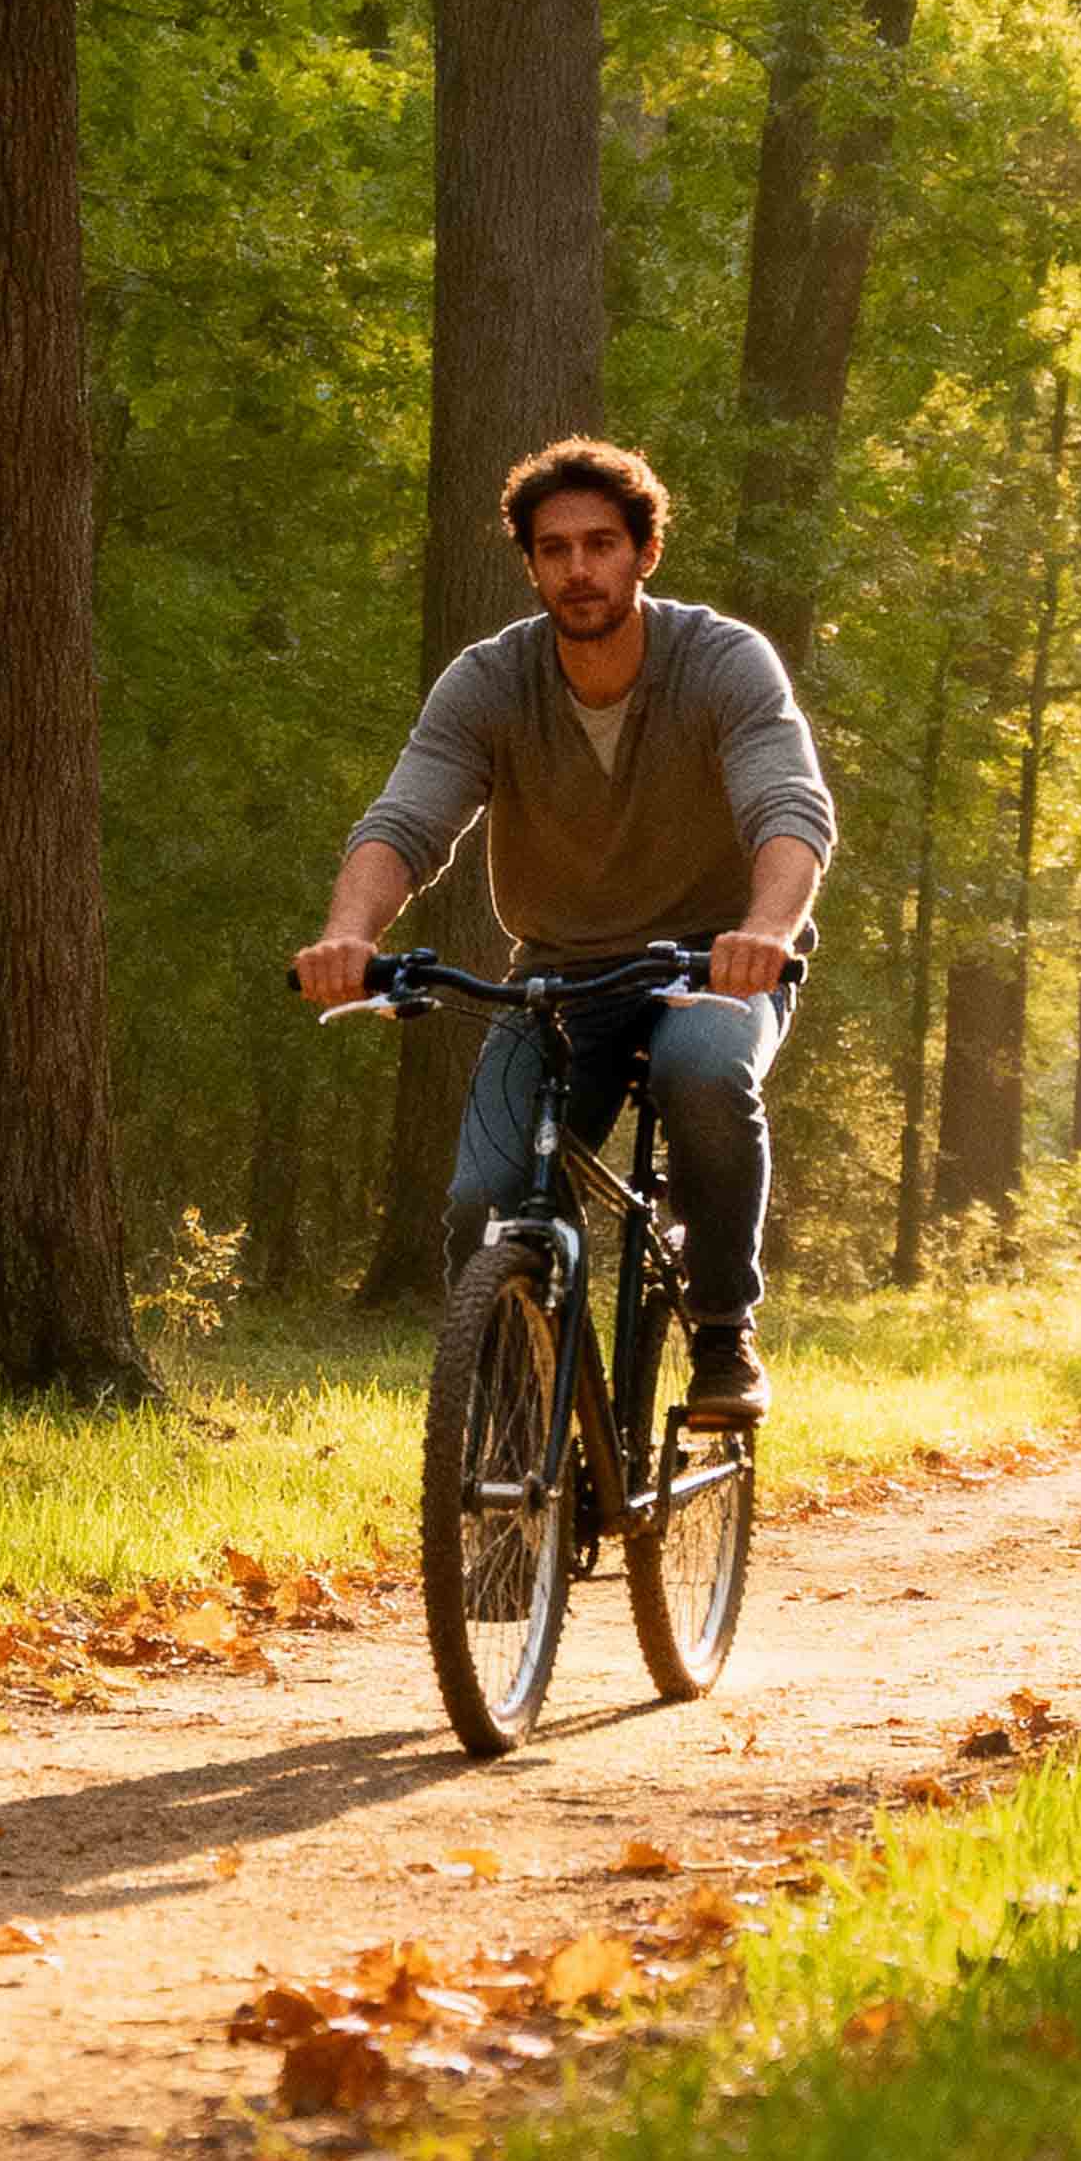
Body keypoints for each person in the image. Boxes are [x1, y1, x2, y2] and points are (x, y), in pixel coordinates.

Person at [294, 436, 833, 1426]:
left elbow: (789, 810)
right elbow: (405, 822)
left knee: (706, 1073)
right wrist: (346, 937)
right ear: (531, 565)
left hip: (708, 965)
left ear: (643, 553)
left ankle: (721, 1329)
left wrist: (762, 932)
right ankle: (510, 1440)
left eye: (599, 544)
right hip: (558, 975)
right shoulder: (490, 682)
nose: (578, 568)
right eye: (554, 550)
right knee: (482, 1199)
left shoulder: (720, 661)